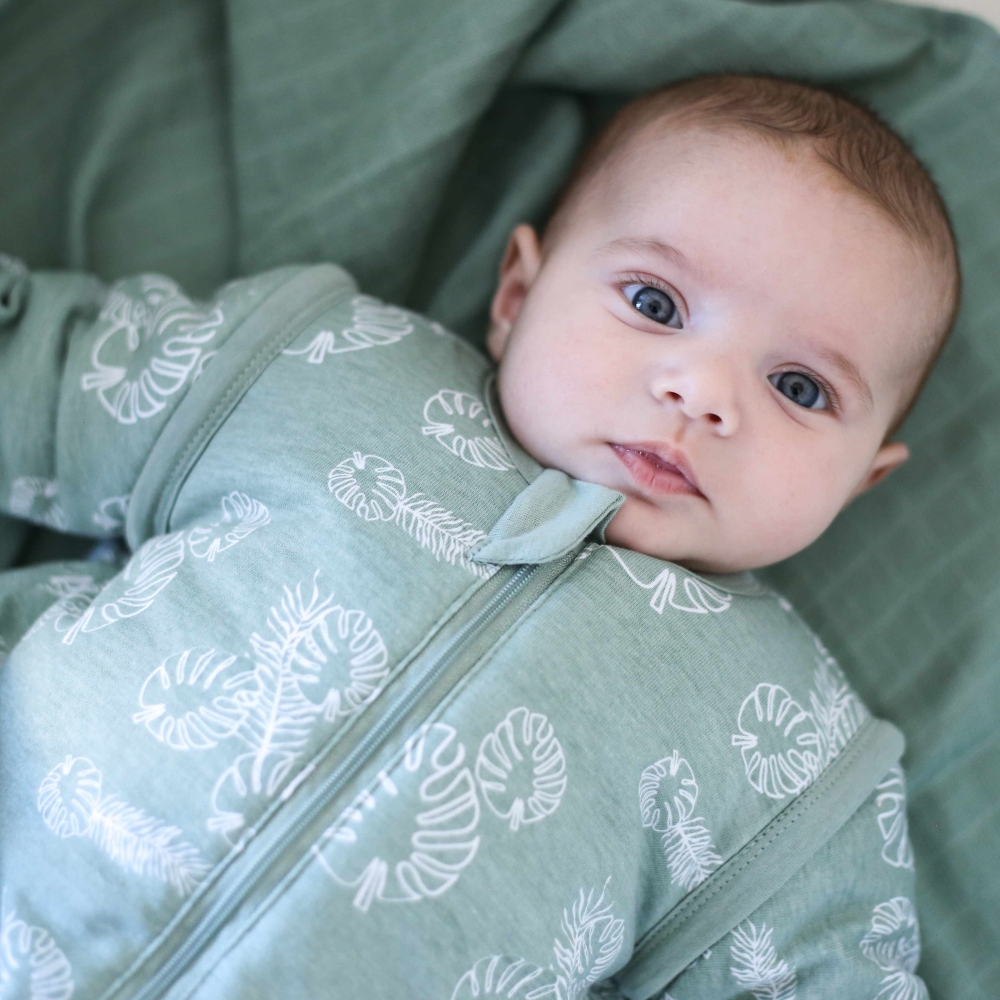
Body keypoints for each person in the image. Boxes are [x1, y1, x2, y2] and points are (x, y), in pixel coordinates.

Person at [0, 75, 954, 998]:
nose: (703, 395)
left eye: (800, 388)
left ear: (861, 479)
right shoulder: (327, 371)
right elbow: (55, 377)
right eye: (654, 303)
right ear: (515, 296)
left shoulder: (788, 753)